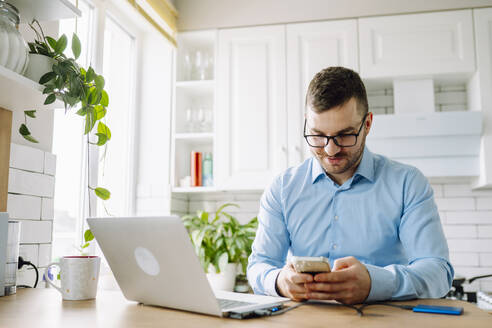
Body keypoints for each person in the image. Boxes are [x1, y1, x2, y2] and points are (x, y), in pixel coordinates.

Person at [247, 66, 454, 304]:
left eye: (345, 135)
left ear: (367, 124)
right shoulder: (283, 188)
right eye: (317, 135)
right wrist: (279, 281)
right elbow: (259, 266)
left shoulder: (407, 183)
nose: (330, 149)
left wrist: (374, 283)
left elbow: (438, 273)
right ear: (307, 123)